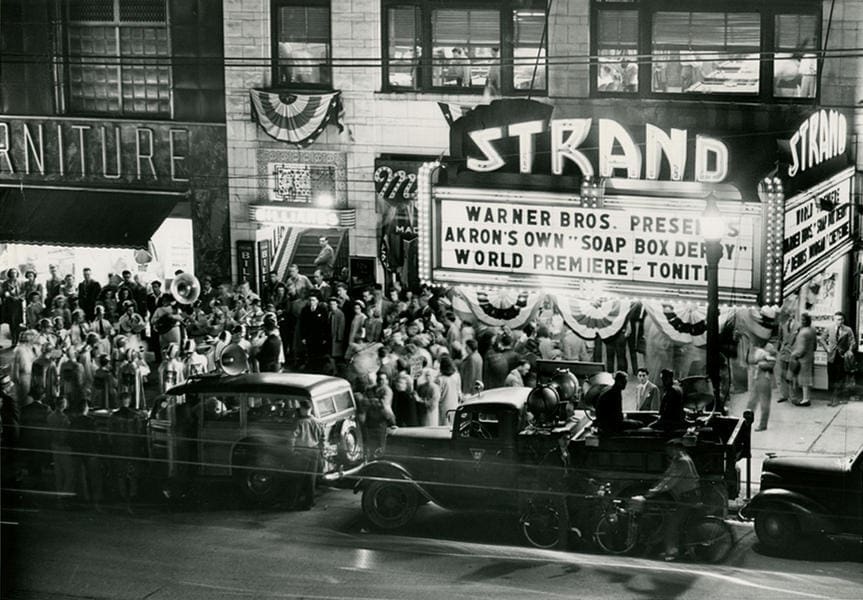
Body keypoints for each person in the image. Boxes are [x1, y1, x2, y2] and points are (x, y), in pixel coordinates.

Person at [642, 439, 701, 561]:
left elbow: (672, 481)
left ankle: (672, 552)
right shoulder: (678, 460)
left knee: (672, 523)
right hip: (685, 496)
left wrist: (655, 492)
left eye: (670, 450)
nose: (668, 453)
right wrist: (655, 487)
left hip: (688, 497)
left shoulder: (683, 461)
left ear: (677, 449)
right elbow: (666, 476)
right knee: (672, 518)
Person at [290, 398, 325, 510]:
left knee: (299, 478)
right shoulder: (318, 421)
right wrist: (322, 450)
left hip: (302, 451)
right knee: (311, 478)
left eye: (300, 408)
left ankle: (296, 502)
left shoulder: (299, 423)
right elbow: (322, 438)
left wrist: (292, 450)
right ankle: (310, 502)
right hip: (314, 451)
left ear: (304, 409)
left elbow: (293, 437)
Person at [823, 311, 855, 405]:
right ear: (834, 319)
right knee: (831, 377)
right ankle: (831, 398)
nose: (839, 321)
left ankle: (837, 398)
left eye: (841, 319)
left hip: (842, 357)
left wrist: (849, 351)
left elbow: (853, 342)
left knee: (840, 378)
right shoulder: (829, 328)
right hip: (831, 356)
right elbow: (822, 339)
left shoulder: (848, 330)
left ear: (843, 320)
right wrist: (827, 348)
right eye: (837, 319)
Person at [748, 344, 776, 431]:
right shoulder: (758, 349)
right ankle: (747, 420)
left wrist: (760, 363)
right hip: (758, 379)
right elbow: (751, 360)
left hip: (764, 379)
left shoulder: (768, 351)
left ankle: (762, 424)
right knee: (752, 402)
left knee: (763, 403)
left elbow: (770, 364)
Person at [790, 313, 817, 407]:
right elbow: (815, 346)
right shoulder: (812, 330)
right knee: (808, 380)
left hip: (802, 359)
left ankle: (805, 399)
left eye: (802, 320)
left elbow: (800, 349)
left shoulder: (803, 332)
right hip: (810, 357)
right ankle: (807, 398)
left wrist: (793, 355)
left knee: (803, 380)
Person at [776, 311, 799, 404]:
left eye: (792, 314)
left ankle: (793, 397)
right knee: (782, 374)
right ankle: (783, 395)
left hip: (793, 353)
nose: (790, 316)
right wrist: (779, 348)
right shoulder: (782, 324)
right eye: (788, 314)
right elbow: (780, 338)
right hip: (784, 352)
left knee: (792, 375)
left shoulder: (799, 326)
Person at [437, 355, 461, 425]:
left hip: (443, 407)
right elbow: (459, 392)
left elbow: (438, 395)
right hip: (455, 405)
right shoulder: (457, 376)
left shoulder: (440, 380)